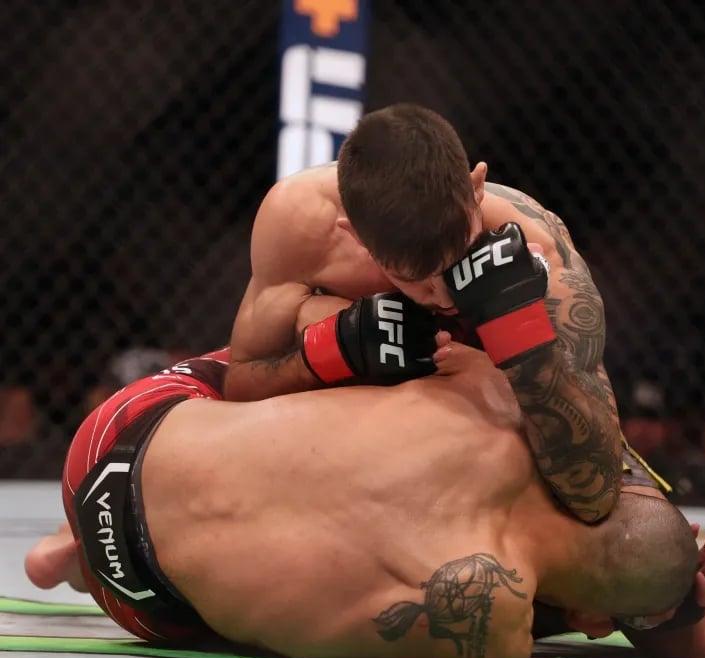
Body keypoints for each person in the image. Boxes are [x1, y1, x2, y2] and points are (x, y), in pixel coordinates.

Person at [27, 344, 705, 658]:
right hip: (145, 594)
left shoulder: (494, 396)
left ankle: (69, 542)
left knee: (314, 349)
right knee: (252, 577)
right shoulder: (491, 614)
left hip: (119, 435)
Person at [221, 103, 650, 522]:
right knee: (311, 319)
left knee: (647, 540)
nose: (444, 296)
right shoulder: (298, 224)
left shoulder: (538, 247)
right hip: (351, 441)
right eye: (417, 279)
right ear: (355, 236)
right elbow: (239, 385)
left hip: (492, 433)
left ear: (477, 188)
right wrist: (337, 347)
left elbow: (595, 489)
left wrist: (518, 356)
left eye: (457, 260)